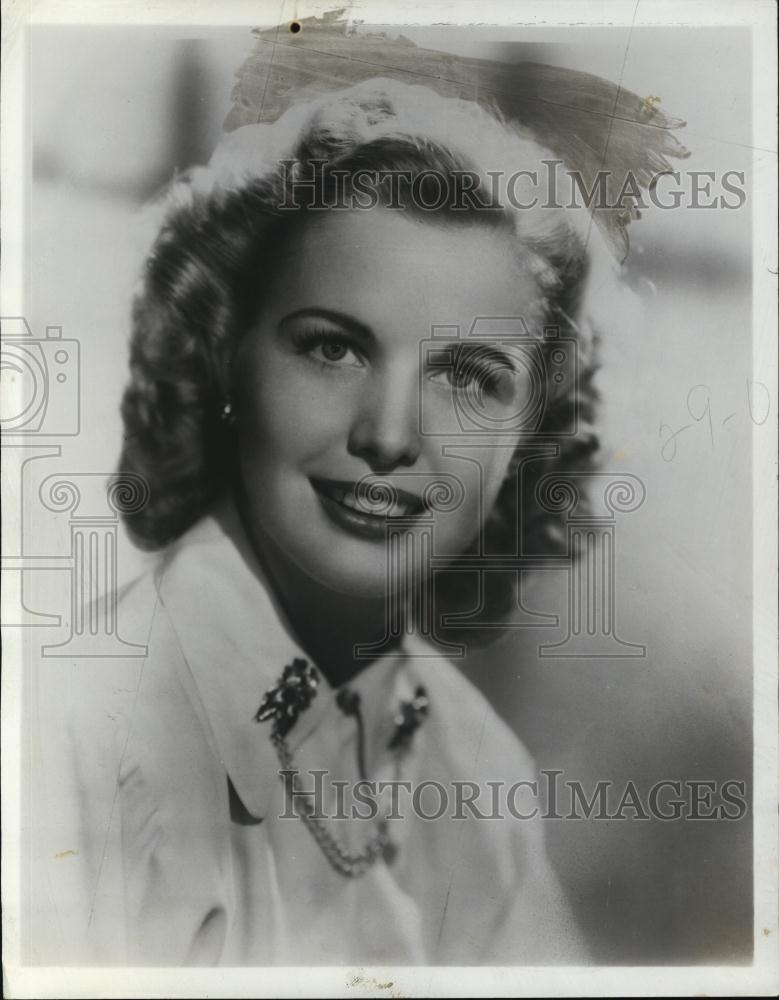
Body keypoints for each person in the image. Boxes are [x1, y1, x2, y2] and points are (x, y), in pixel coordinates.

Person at [35, 77, 608, 966]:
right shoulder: (66, 734)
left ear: (528, 436)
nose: (386, 435)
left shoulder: (478, 772)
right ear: (224, 359)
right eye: (331, 347)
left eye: (466, 377)